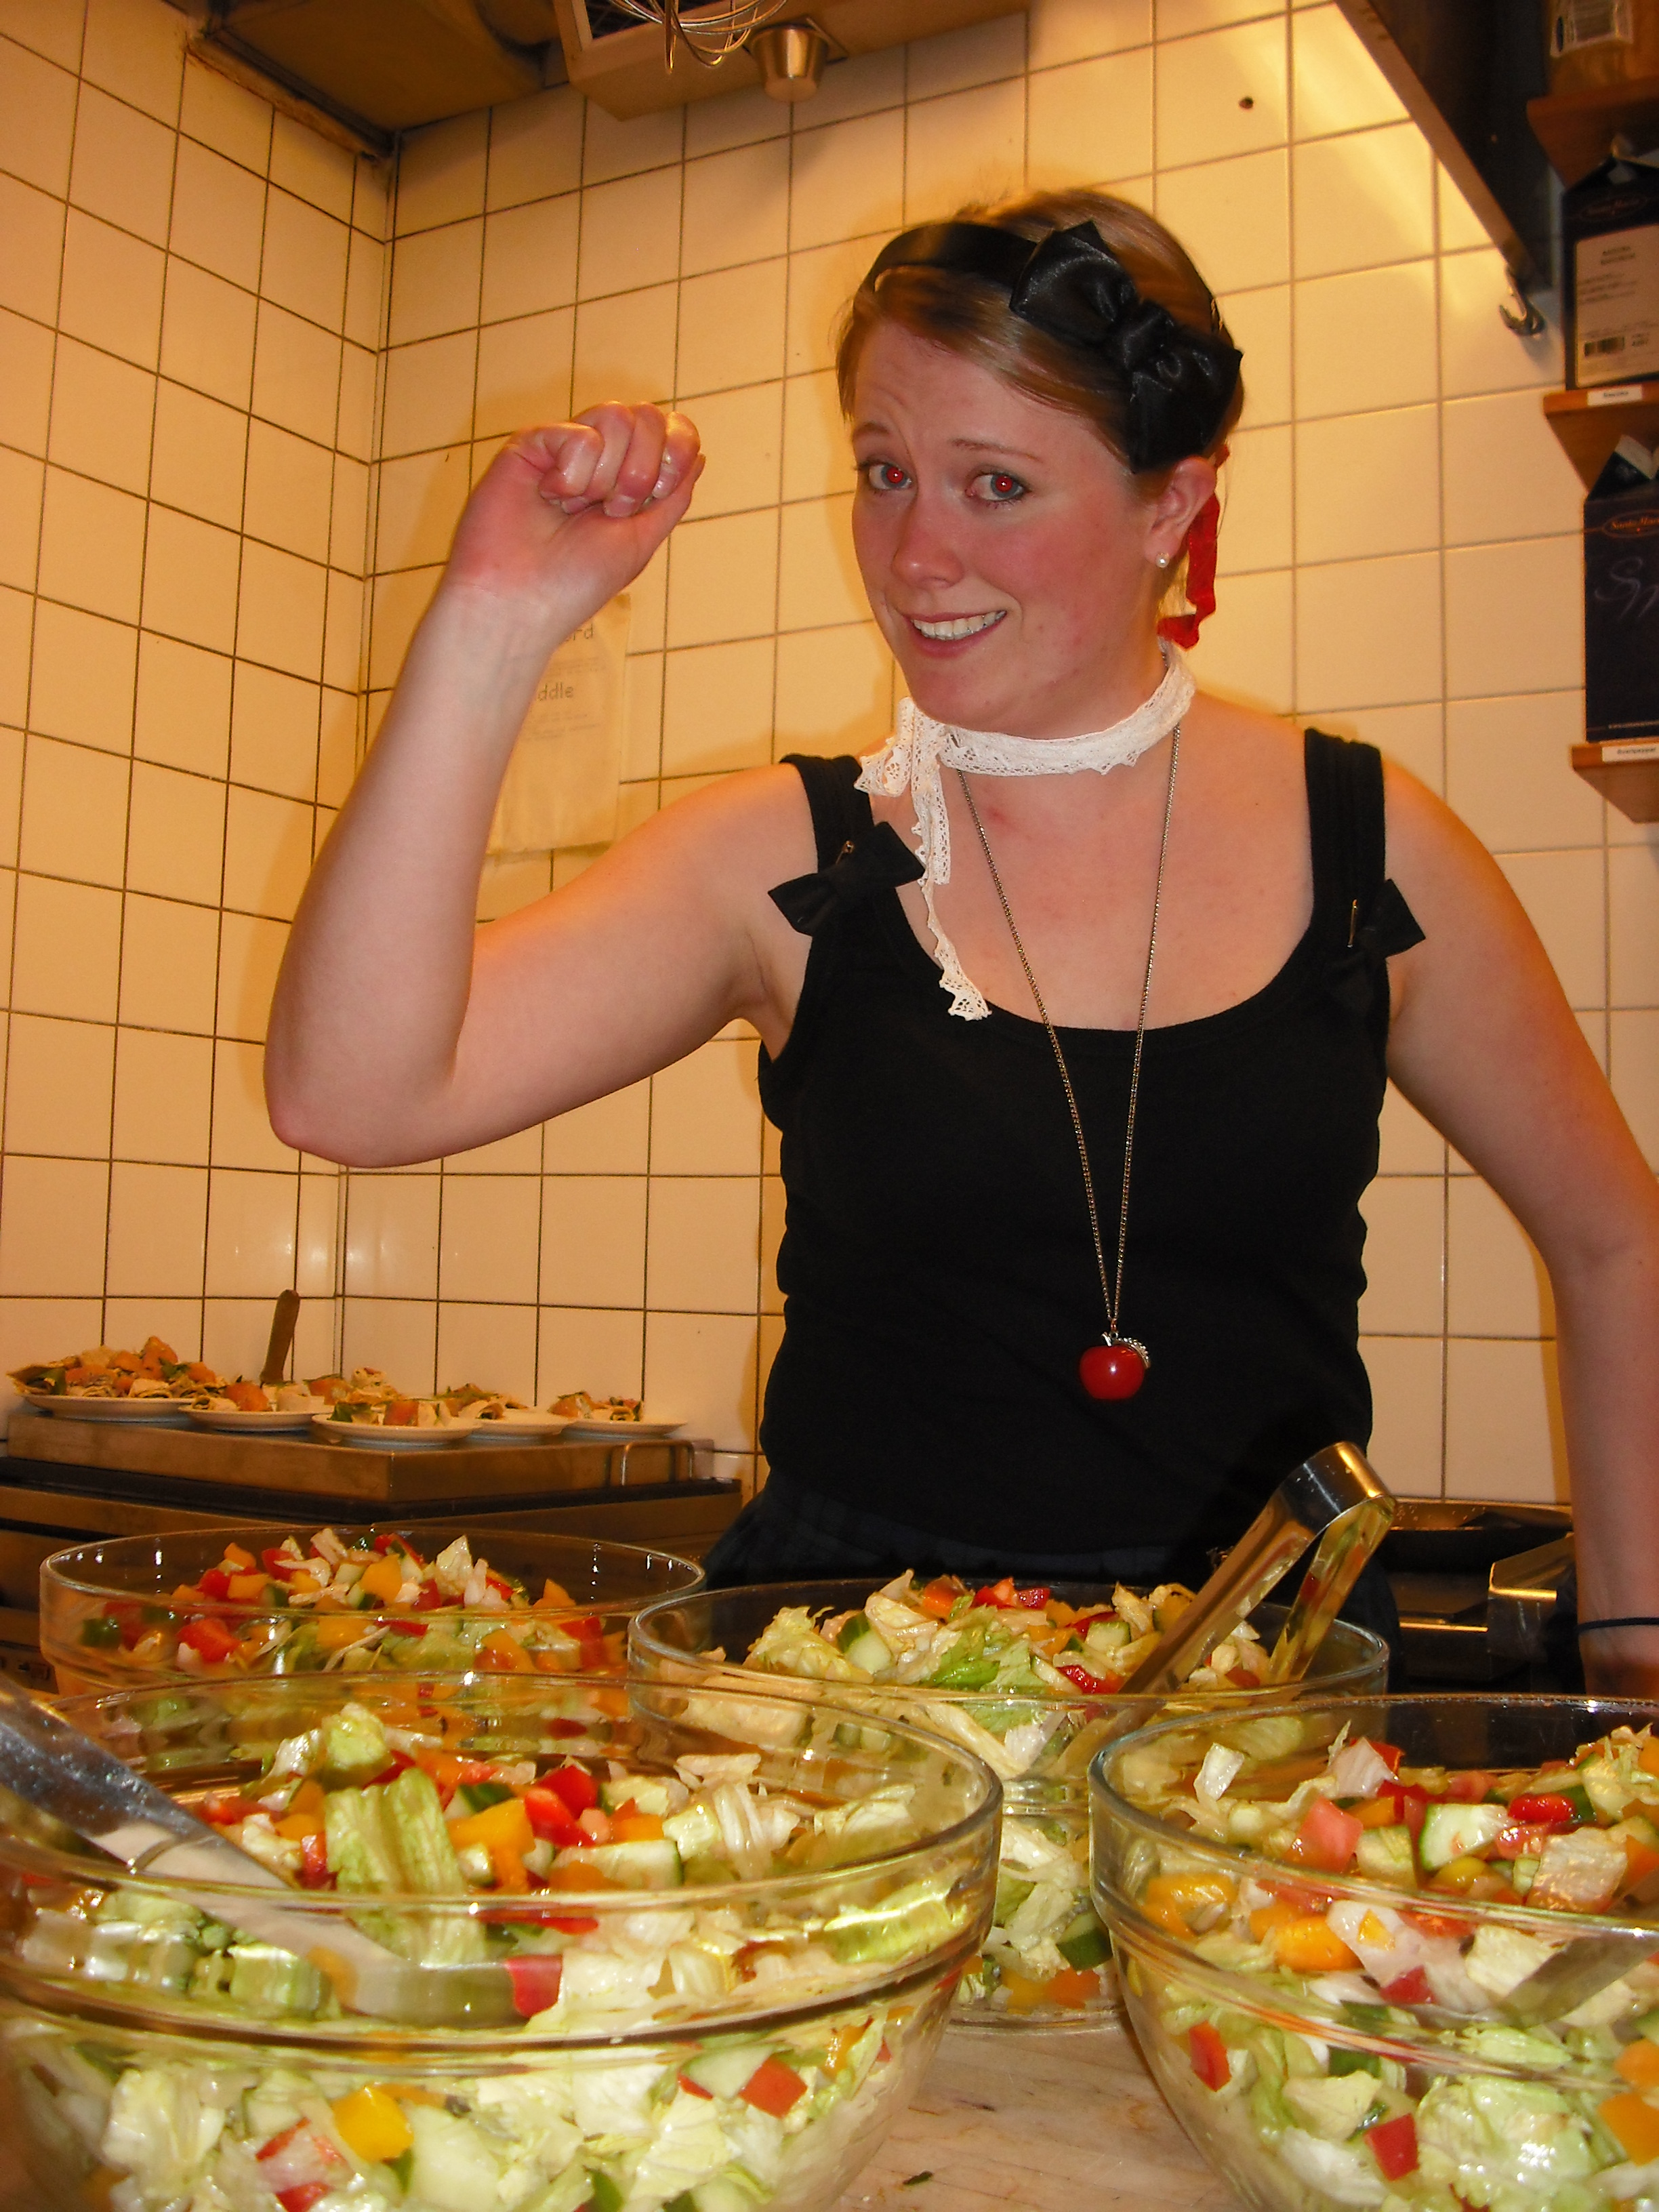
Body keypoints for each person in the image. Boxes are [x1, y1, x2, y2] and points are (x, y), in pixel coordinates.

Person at [267, 190, 1659, 1694]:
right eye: (885, 472)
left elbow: (1620, 1242)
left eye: (995, 484)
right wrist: (493, 622)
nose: (916, 552)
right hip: (840, 1707)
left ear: (1171, 509)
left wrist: (1639, 1670)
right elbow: (353, 1095)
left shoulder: (1369, 846)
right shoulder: (792, 856)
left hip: (1251, 1713)